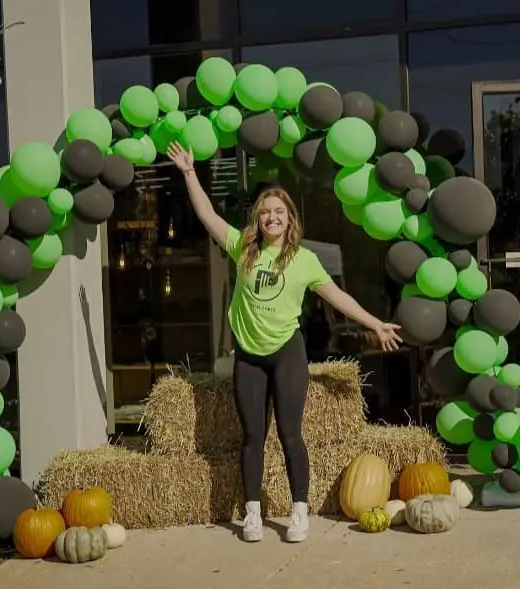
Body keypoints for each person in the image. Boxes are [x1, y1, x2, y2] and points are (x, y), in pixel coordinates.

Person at [166, 141, 402, 543]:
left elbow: (337, 298)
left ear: (289, 219)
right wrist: (189, 172)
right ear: (257, 219)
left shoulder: (304, 260)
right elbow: (206, 215)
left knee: (290, 433)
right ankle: (252, 513)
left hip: (286, 353)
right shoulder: (242, 247)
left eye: (279, 212)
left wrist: (375, 323)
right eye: (265, 212)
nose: (272, 217)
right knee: (253, 435)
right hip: (249, 356)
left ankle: (299, 511)